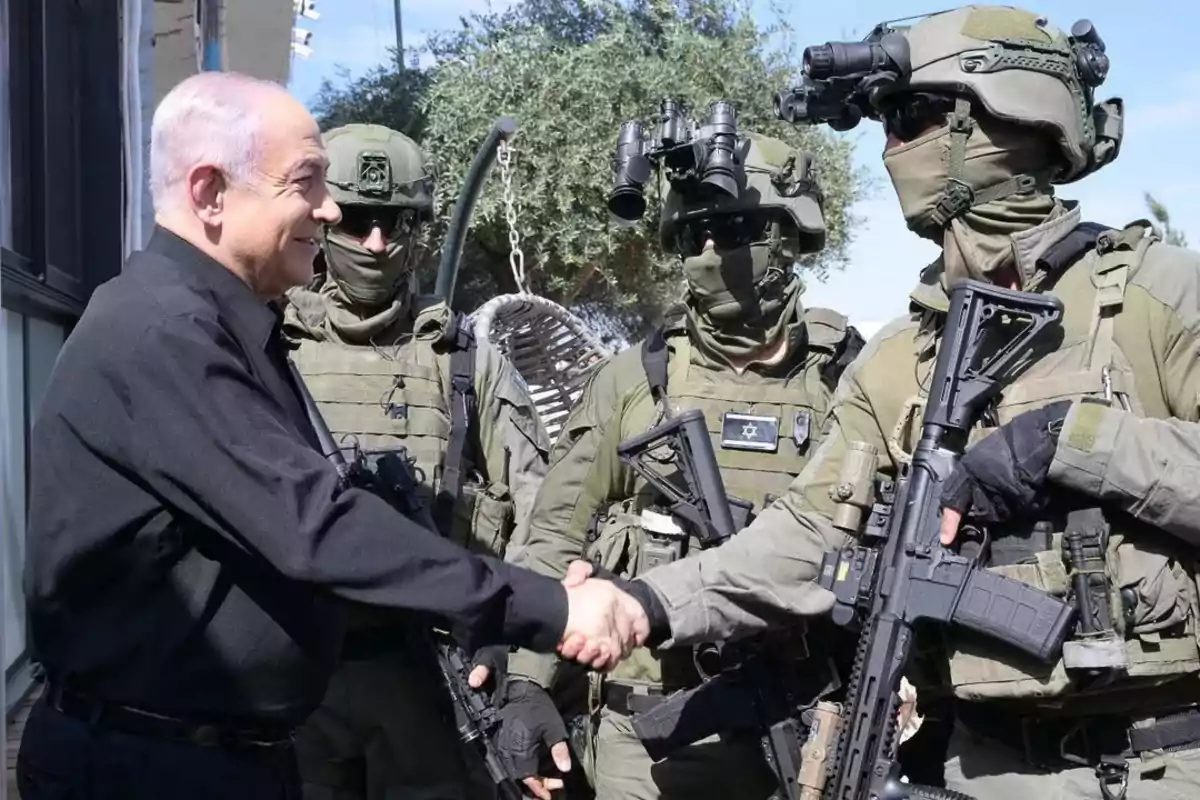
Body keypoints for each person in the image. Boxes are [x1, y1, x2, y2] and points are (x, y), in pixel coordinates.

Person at [610, 7, 1200, 800]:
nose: (891, 150)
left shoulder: (1159, 297)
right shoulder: (902, 354)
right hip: (978, 768)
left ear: (1002, 119)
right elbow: (811, 532)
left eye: (912, 119)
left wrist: (1069, 439)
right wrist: (643, 602)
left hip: (1168, 760)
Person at [16, 71, 645, 800]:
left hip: (238, 751)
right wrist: (553, 607)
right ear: (210, 193)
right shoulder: (164, 333)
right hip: (153, 767)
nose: (331, 207)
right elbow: (313, 527)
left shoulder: (225, 324)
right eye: (306, 183)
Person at [487, 130, 863, 800]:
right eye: (694, 237)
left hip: (810, 725)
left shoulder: (846, 378)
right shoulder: (636, 379)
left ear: (789, 234)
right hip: (650, 732)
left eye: (734, 229)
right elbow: (552, 536)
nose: (712, 254)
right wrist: (527, 683)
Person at [283, 122, 552, 800]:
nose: (376, 243)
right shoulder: (266, 350)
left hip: (434, 685)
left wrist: (520, 665)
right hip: (292, 685)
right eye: (357, 221)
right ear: (321, 222)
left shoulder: (464, 361)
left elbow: (546, 517)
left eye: (394, 222)